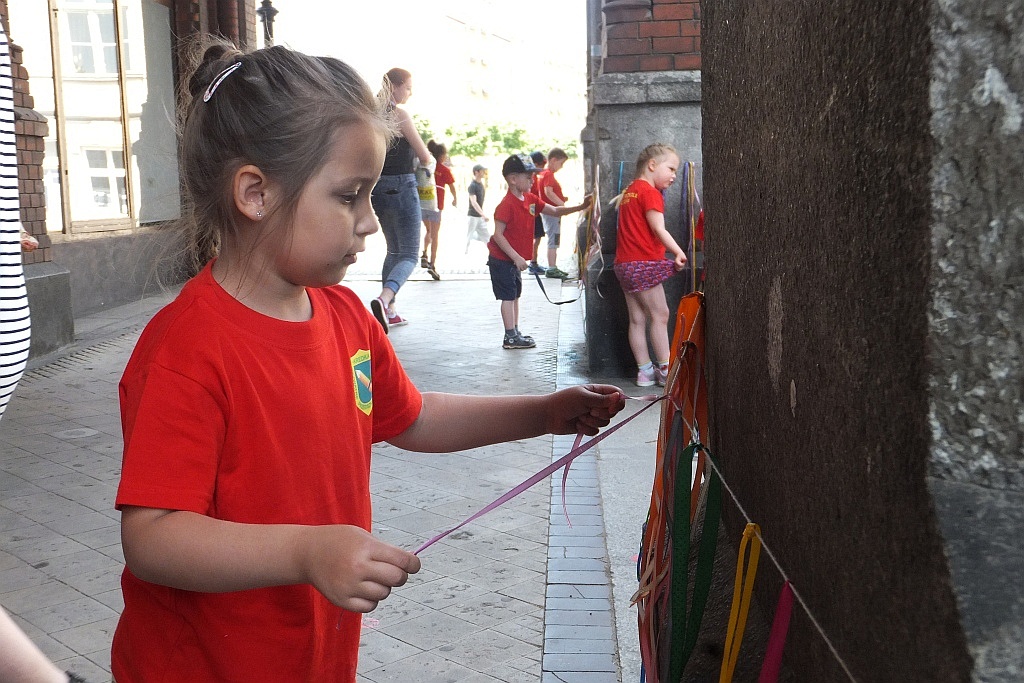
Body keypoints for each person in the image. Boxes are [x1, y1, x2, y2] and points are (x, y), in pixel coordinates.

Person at [111, 42, 626, 683]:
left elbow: (413, 417)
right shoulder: (185, 352)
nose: (371, 224)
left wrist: (543, 413)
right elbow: (154, 535)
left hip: (315, 656)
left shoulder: (347, 316)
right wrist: (308, 550)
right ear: (254, 192)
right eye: (350, 196)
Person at [488, 154, 591, 349]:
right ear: (513, 179)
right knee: (508, 297)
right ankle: (509, 336)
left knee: (515, 295)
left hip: (512, 261)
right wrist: (516, 257)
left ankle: (515, 331)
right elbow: (498, 236)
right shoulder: (506, 205)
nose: (532, 180)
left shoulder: (530, 199)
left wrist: (580, 207)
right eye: (528, 177)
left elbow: (554, 211)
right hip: (501, 260)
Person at [613, 143, 688, 387]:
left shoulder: (629, 192)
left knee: (637, 319)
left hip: (624, 265)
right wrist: (678, 252)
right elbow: (658, 228)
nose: (674, 176)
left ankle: (644, 371)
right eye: (671, 168)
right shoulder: (650, 193)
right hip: (643, 264)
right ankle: (666, 370)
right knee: (660, 314)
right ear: (652, 165)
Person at [369, 67, 433, 332]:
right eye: (407, 86)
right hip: (403, 186)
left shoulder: (369, 114)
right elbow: (425, 155)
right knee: (408, 253)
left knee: (393, 250)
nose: (410, 91)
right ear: (394, 86)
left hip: (377, 187)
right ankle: (384, 300)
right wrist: (429, 163)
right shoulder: (400, 115)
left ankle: (390, 311)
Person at [419, 140, 455, 280]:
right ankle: (432, 264)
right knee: (435, 235)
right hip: (436, 206)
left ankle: (424, 253)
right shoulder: (444, 170)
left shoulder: (426, 166)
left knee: (428, 231)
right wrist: (455, 198)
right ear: (441, 156)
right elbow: (452, 186)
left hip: (423, 204)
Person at [536, 147, 571, 280]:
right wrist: (562, 205)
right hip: (552, 212)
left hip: (548, 211)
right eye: (561, 163)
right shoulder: (548, 174)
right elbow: (548, 192)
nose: (561, 167)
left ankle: (553, 266)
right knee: (554, 239)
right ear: (553, 160)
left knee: (553, 238)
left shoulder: (543, 174)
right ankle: (552, 267)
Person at [527, 151, 547, 275]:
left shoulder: (534, 176)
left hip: (535, 210)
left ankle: (534, 262)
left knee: (538, 237)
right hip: (532, 211)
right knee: (535, 237)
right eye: (541, 165)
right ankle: (532, 263)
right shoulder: (530, 177)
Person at [465, 163, 490, 252]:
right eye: (482, 171)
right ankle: (465, 252)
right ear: (476, 172)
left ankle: (493, 253)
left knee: (486, 236)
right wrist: (483, 214)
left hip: (479, 216)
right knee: (469, 235)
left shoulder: (481, 185)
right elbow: (474, 202)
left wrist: (481, 215)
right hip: (473, 216)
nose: (484, 172)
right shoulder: (473, 186)